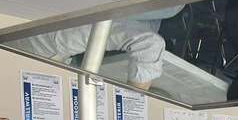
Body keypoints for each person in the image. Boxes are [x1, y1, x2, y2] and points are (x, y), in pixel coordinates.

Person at [11, 19, 167, 90]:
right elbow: (148, 43)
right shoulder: (49, 49)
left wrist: (137, 90)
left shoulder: (50, 45)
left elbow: (148, 44)